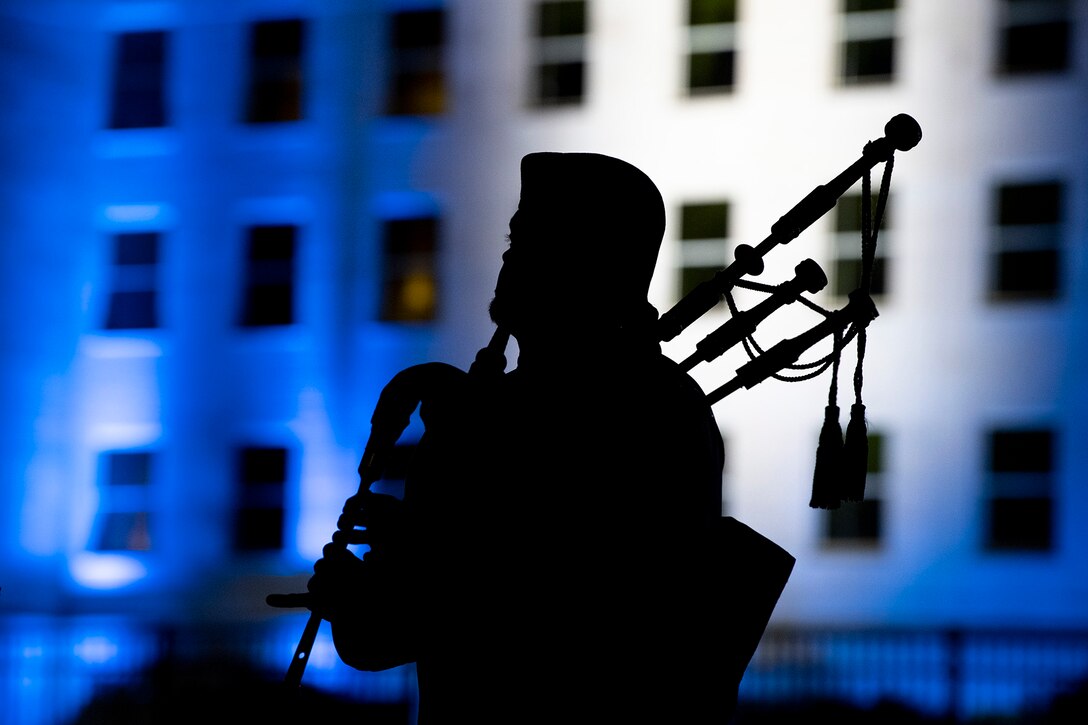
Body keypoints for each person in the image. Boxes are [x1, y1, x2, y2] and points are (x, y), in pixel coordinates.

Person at [306, 153, 785, 723]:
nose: (510, 259)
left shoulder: (644, 409)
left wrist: (408, 553)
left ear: (590, 263)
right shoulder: (560, 405)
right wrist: (393, 564)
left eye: (533, 242)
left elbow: (571, 609)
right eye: (515, 240)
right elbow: (398, 628)